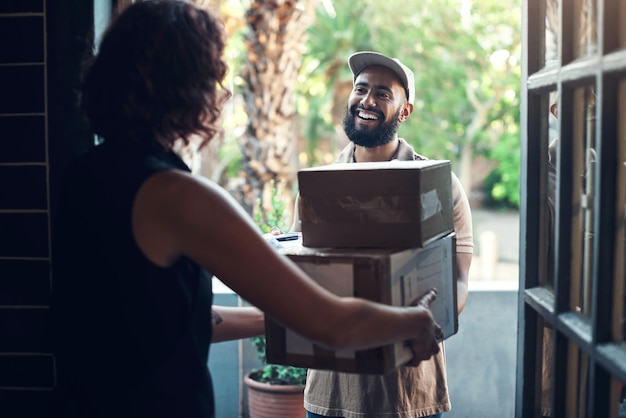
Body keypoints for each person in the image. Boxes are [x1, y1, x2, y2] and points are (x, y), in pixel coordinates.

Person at [49, 3, 445, 418]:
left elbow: (168, 319)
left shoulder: (83, 174)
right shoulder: (178, 195)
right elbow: (330, 323)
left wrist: (271, 317)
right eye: (215, 75)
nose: (224, 92)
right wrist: (410, 322)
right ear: (183, 86)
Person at [289, 52, 474, 418]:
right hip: (331, 391)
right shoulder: (317, 186)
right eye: (361, 89)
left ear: (405, 111)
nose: (367, 101)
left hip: (409, 392)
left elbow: (458, 280)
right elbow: (303, 267)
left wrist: (424, 326)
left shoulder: (440, 185)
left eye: (383, 94)